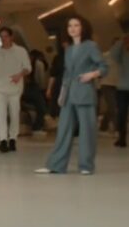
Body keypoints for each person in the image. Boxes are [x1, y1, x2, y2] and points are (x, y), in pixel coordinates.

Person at [35, 16, 108, 175]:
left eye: (76, 25)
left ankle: (86, 165)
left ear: (83, 27)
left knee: (87, 131)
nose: (73, 28)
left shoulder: (91, 46)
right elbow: (67, 74)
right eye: (70, 26)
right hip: (68, 95)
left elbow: (103, 67)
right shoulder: (68, 50)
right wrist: (62, 95)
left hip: (85, 93)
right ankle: (56, 165)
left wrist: (91, 74)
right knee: (63, 130)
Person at [0, 27, 31, 152]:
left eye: (6, 36)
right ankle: (2, 140)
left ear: (11, 37)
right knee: (1, 114)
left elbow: (28, 68)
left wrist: (19, 75)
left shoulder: (20, 51)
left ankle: (13, 138)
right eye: (1, 37)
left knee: (14, 113)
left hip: (15, 88)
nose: (4, 39)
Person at [23, 49, 50, 135]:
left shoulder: (23, 64)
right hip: (34, 88)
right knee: (42, 108)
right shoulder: (39, 63)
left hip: (24, 89)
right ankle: (37, 127)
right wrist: (43, 89)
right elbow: (41, 79)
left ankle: (36, 127)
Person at [110, 34, 129, 147]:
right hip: (122, 88)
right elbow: (113, 54)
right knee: (121, 114)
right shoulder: (122, 53)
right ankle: (122, 139)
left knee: (121, 114)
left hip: (122, 88)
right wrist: (122, 41)